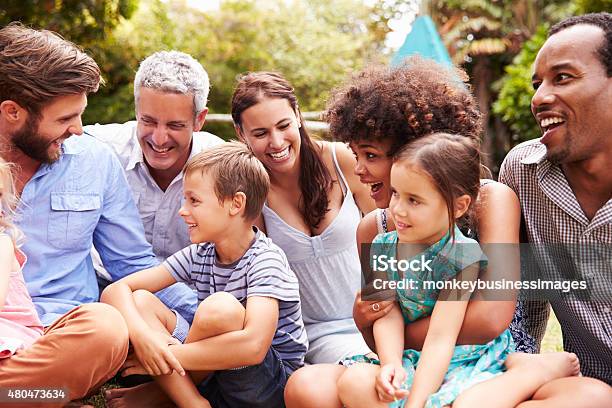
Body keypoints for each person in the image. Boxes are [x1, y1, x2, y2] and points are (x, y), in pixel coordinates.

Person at [286, 57, 610, 407]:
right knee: (307, 386)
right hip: (410, 361)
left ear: (416, 154)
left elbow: (489, 318)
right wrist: (365, 321)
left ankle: (532, 372)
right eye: (355, 154)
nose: (359, 170)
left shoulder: (488, 201)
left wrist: (388, 326)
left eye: (370, 155)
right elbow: (379, 326)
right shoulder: (374, 230)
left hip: (491, 360)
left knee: (590, 397)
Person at [337, 132, 582, 408]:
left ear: (459, 206)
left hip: (463, 354)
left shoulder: (461, 257)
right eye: (396, 193)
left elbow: (441, 337)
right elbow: (385, 313)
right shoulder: (381, 245)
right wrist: (391, 365)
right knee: (353, 382)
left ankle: (530, 371)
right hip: (409, 354)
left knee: (470, 404)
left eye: (413, 200)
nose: (398, 210)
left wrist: (415, 403)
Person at [101, 142, 308, 408]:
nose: (182, 210)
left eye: (194, 200)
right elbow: (116, 290)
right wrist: (145, 339)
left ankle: (163, 394)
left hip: (265, 385)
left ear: (236, 204)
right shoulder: (200, 253)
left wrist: (165, 355)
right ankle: (193, 403)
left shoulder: (266, 260)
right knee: (141, 300)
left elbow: (253, 347)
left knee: (219, 309)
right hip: (212, 374)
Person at [0, 23, 137, 402]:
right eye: (64, 119)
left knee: (108, 328)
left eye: (80, 115)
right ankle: (34, 396)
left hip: (64, 333)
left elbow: (134, 265)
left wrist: (192, 326)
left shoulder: (94, 160)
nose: (78, 129)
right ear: (13, 112)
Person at [231, 71, 377, 364]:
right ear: (241, 134)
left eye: (283, 125)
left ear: (297, 115)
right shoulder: (252, 195)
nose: (276, 142)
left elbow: (390, 236)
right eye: (260, 133)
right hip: (315, 335)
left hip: (377, 314)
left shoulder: (343, 161)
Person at [499, 12, 612, 390]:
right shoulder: (522, 171)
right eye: (537, 83)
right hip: (584, 390)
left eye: (562, 77)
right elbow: (519, 304)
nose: (539, 97)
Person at [85, 50, 224, 322]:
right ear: (137, 111)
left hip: (186, 303)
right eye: (148, 121)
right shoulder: (98, 149)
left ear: (199, 120)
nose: (159, 139)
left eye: (174, 125)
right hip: (105, 291)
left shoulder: (221, 167)